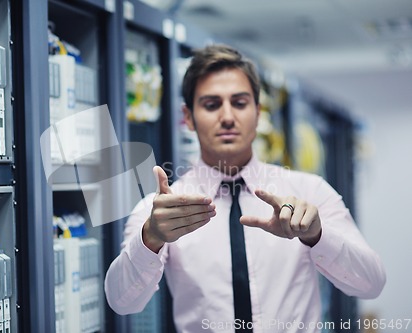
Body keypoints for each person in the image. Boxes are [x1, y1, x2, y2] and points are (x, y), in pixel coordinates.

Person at [104, 44, 386, 333]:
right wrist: (150, 237)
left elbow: (371, 284)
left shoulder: (308, 192)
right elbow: (122, 302)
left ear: (258, 112)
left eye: (239, 103)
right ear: (187, 117)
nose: (227, 117)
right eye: (211, 105)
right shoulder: (162, 210)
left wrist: (317, 235)